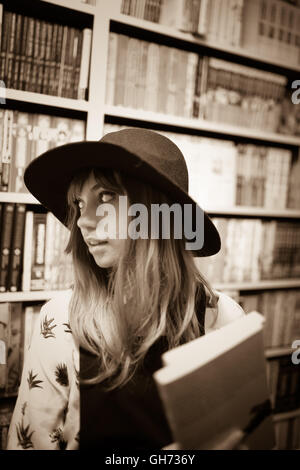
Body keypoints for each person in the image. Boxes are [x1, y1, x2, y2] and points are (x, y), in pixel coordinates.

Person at [7, 128, 245, 451]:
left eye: (105, 197)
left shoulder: (224, 319)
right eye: (79, 203)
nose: (82, 221)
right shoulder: (62, 322)